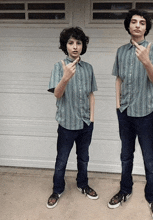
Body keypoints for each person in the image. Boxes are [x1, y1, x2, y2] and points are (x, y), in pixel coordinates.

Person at [108, 9, 153, 220]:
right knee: (125, 155)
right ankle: (125, 190)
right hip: (124, 112)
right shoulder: (121, 51)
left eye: (142, 22)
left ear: (146, 27)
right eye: (134, 22)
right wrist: (117, 105)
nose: (138, 25)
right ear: (128, 26)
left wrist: (146, 60)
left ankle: (152, 198)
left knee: (149, 158)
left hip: (144, 113)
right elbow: (118, 79)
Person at [47, 27, 98, 209]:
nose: (75, 46)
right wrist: (66, 77)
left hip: (85, 123)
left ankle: (82, 184)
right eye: (70, 43)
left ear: (83, 46)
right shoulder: (58, 66)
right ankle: (57, 189)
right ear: (65, 45)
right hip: (67, 124)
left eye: (78, 43)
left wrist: (91, 119)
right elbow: (57, 95)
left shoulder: (88, 68)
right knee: (62, 159)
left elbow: (91, 94)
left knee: (83, 158)